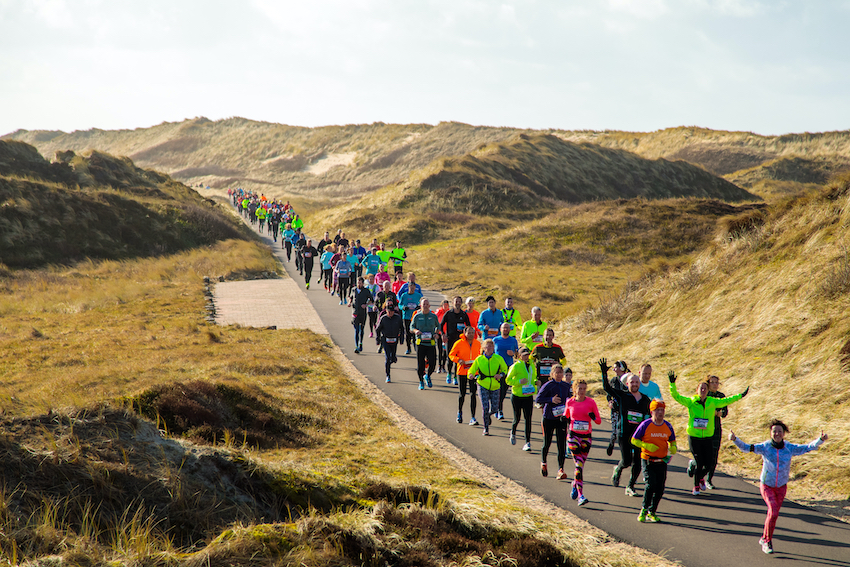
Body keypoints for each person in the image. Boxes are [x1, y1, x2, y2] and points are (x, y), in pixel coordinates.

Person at [730, 421, 828, 554]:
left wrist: (820, 440)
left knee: (773, 515)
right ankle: (767, 541)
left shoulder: (789, 447)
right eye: (774, 431)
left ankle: (764, 537)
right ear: (770, 433)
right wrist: (735, 440)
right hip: (767, 485)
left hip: (781, 486)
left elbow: (806, 447)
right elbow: (747, 448)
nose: (777, 434)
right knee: (773, 511)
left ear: (784, 433)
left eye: (780, 431)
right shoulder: (765, 446)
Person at [668, 370, 748, 495]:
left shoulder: (713, 401)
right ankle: (696, 487)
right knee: (699, 462)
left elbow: (727, 401)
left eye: (705, 388)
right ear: (697, 390)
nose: (703, 390)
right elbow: (676, 397)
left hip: (708, 436)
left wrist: (741, 395)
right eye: (701, 388)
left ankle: (701, 478)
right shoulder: (691, 402)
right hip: (694, 436)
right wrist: (672, 384)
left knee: (710, 462)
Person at [599, 358, 650, 497]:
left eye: (636, 382)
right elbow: (607, 388)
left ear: (639, 383)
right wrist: (604, 374)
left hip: (638, 436)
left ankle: (630, 485)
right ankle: (618, 469)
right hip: (624, 433)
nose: (634, 384)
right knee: (627, 461)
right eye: (631, 382)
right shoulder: (623, 396)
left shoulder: (645, 400)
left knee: (638, 463)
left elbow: (651, 416)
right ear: (627, 384)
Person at [631, 400, 677, 523]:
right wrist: (646, 445)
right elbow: (634, 440)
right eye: (657, 410)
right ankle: (643, 509)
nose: (660, 412)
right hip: (648, 459)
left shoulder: (668, 425)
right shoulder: (645, 425)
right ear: (651, 412)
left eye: (662, 410)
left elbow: (672, 440)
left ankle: (652, 511)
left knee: (660, 488)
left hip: (662, 461)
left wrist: (673, 447)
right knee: (650, 485)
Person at [564, 378, 601, 506]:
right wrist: (563, 419)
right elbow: (566, 416)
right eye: (580, 388)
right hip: (573, 436)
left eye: (584, 389)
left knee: (580, 466)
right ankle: (581, 496)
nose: (582, 391)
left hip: (586, 437)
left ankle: (575, 483)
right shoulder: (570, 402)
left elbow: (598, 421)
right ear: (575, 389)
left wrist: (593, 417)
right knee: (579, 465)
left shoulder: (591, 402)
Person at [535, 364, 572, 480]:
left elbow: (571, 399)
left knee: (561, 445)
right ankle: (543, 463)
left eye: (561, 373)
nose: (559, 375)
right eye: (557, 373)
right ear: (552, 374)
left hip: (561, 418)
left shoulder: (566, 386)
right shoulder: (548, 385)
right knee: (547, 443)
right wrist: (551, 399)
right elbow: (538, 399)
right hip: (549, 418)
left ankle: (561, 469)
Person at [468, 339, 508, 436]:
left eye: (491, 346)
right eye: (487, 346)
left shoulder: (498, 358)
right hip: (482, 384)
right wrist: (470, 375)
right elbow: (471, 371)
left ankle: (488, 415)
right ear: (483, 348)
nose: (489, 348)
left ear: (494, 348)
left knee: (495, 408)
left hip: (495, 385)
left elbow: (505, 369)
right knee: (485, 407)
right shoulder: (479, 359)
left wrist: (501, 375)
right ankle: (486, 428)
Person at [505, 346, 537, 451]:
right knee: (517, 418)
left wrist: (536, 382)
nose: (526, 357)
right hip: (517, 396)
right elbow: (508, 380)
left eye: (528, 355)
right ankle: (513, 432)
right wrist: (519, 382)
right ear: (519, 356)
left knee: (528, 419)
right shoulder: (515, 366)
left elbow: (533, 377)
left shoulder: (532, 365)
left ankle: (527, 442)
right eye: (524, 355)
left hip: (528, 396)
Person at [448, 326, 481, 425]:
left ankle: (473, 417)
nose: (471, 334)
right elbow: (451, 355)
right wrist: (458, 360)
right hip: (462, 371)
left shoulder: (478, 343)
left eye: (472, 332)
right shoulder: (458, 343)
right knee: (462, 394)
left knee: (473, 394)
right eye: (469, 333)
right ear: (465, 333)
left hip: (473, 372)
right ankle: (459, 412)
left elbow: (481, 355)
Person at [440, 296, 470, 386]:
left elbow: (468, 326)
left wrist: (467, 336)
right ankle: (449, 374)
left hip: (460, 340)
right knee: (450, 359)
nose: (457, 303)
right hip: (450, 339)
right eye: (456, 301)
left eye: (459, 302)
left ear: (461, 303)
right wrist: (443, 334)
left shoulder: (464, 314)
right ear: (453, 303)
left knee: (459, 360)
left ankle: (455, 376)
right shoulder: (449, 313)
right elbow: (441, 325)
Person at [411, 298, 440, 390]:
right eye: (424, 304)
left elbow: (438, 326)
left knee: (433, 363)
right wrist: (416, 331)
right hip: (420, 343)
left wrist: (436, 333)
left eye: (427, 304)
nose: (425, 306)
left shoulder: (433, 316)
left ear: (429, 306)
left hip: (430, 343)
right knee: (420, 364)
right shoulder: (417, 316)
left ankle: (427, 376)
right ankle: (421, 382)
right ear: (421, 305)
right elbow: (411, 326)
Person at [492, 323, 518, 420]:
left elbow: (518, 354)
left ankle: (497, 407)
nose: (506, 329)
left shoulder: (513, 340)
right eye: (504, 328)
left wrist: (513, 353)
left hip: (508, 368)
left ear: (510, 329)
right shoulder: (496, 340)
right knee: (498, 389)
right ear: (500, 329)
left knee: (504, 390)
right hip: (497, 368)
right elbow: (491, 353)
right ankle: (499, 410)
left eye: (507, 328)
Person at [705, 375, 727, 490]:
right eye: (712, 382)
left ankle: (709, 479)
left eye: (716, 382)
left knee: (714, 455)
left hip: (716, 428)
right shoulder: (705, 394)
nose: (714, 384)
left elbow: (725, 412)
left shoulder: (721, 396)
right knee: (703, 454)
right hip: (703, 428)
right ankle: (694, 465)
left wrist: (720, 413)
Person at [375, 301, 403, 382]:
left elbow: (402, 329)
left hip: (394, 340)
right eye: (388, 311)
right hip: (385, 340)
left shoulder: (397, 318)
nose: (390, 313)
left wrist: (401, 339)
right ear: (386, 311)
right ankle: (388, 375)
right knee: (387, 358)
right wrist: (378, 339)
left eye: (391, 311)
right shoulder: (383, 318)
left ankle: (393, 358)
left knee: (393, 358)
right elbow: (377, 329)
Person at [606, 360, 629, 456]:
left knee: (625, 432)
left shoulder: (628, 379)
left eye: (616, 367)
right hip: (615, 409)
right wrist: (610, 402)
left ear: (622, 368)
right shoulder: (613, 381)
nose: (614, 369)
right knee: (615, 430)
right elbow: (608, 395)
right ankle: (611, 443)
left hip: (626, 409)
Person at [351, 277, 372, 354]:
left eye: (360, 283)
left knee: (361, 330)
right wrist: (350, 302)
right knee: (356, 330)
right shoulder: (353, 289)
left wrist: (366, 304)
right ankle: (356, 346)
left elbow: (371, 299)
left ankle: (361, 342)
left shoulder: (366, 291)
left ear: (363, 283)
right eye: (357, 283)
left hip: (362, 313)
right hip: (355, 312)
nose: (358, 284)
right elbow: (351, 297)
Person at [434, 299, 451, 374]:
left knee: (445, 351)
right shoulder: (438, 312)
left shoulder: (449, 313)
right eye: (444, 305)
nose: (446, 306)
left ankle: (443, 366)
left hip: (447, 334)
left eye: (447, 305)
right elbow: (435, 320)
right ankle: (439, 366)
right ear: (442, 305)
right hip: (439, 333)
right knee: (440, 350)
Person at [365, 274, 380, 338]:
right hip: (369, 305)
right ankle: (371, 332)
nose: (371, 280)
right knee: (370, 319)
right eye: (370, 279)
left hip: (375, 305)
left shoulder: (377, 287)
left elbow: (379, 295)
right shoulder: (367, 287)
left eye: (372, 279)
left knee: (375, 318)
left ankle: (375, 327)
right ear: (368, 280)